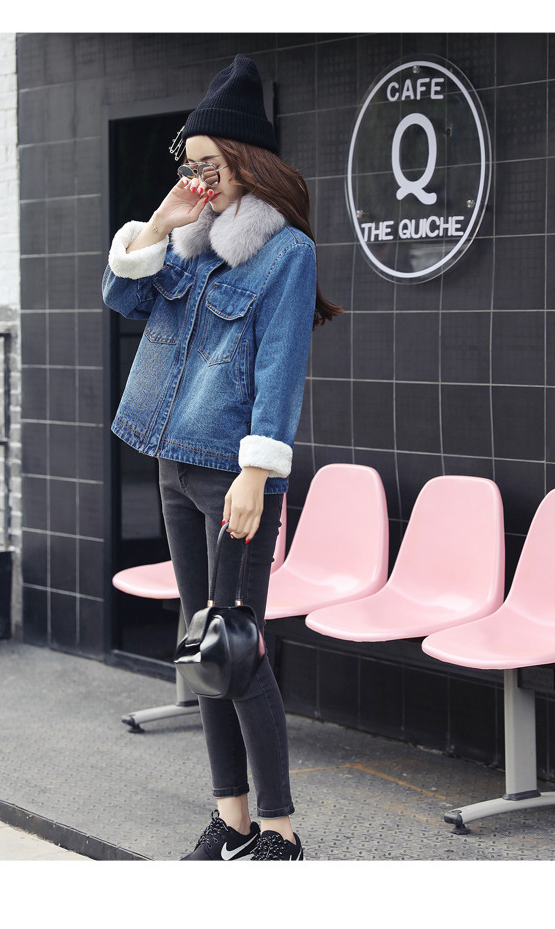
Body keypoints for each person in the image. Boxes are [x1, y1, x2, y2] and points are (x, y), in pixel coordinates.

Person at [102, 55, 340, 861]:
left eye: (211, 164)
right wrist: (159, 224)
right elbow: (123, 297)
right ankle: (230, 818)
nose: (199, 179)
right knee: (199, 640)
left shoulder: (286, 253)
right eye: (191, 164)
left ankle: (279, 829)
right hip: (172, 462)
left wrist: (256, 473)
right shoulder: (190, 245)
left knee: (238, 643)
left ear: (245, 160)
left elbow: (280, 367)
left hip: (235, 474)